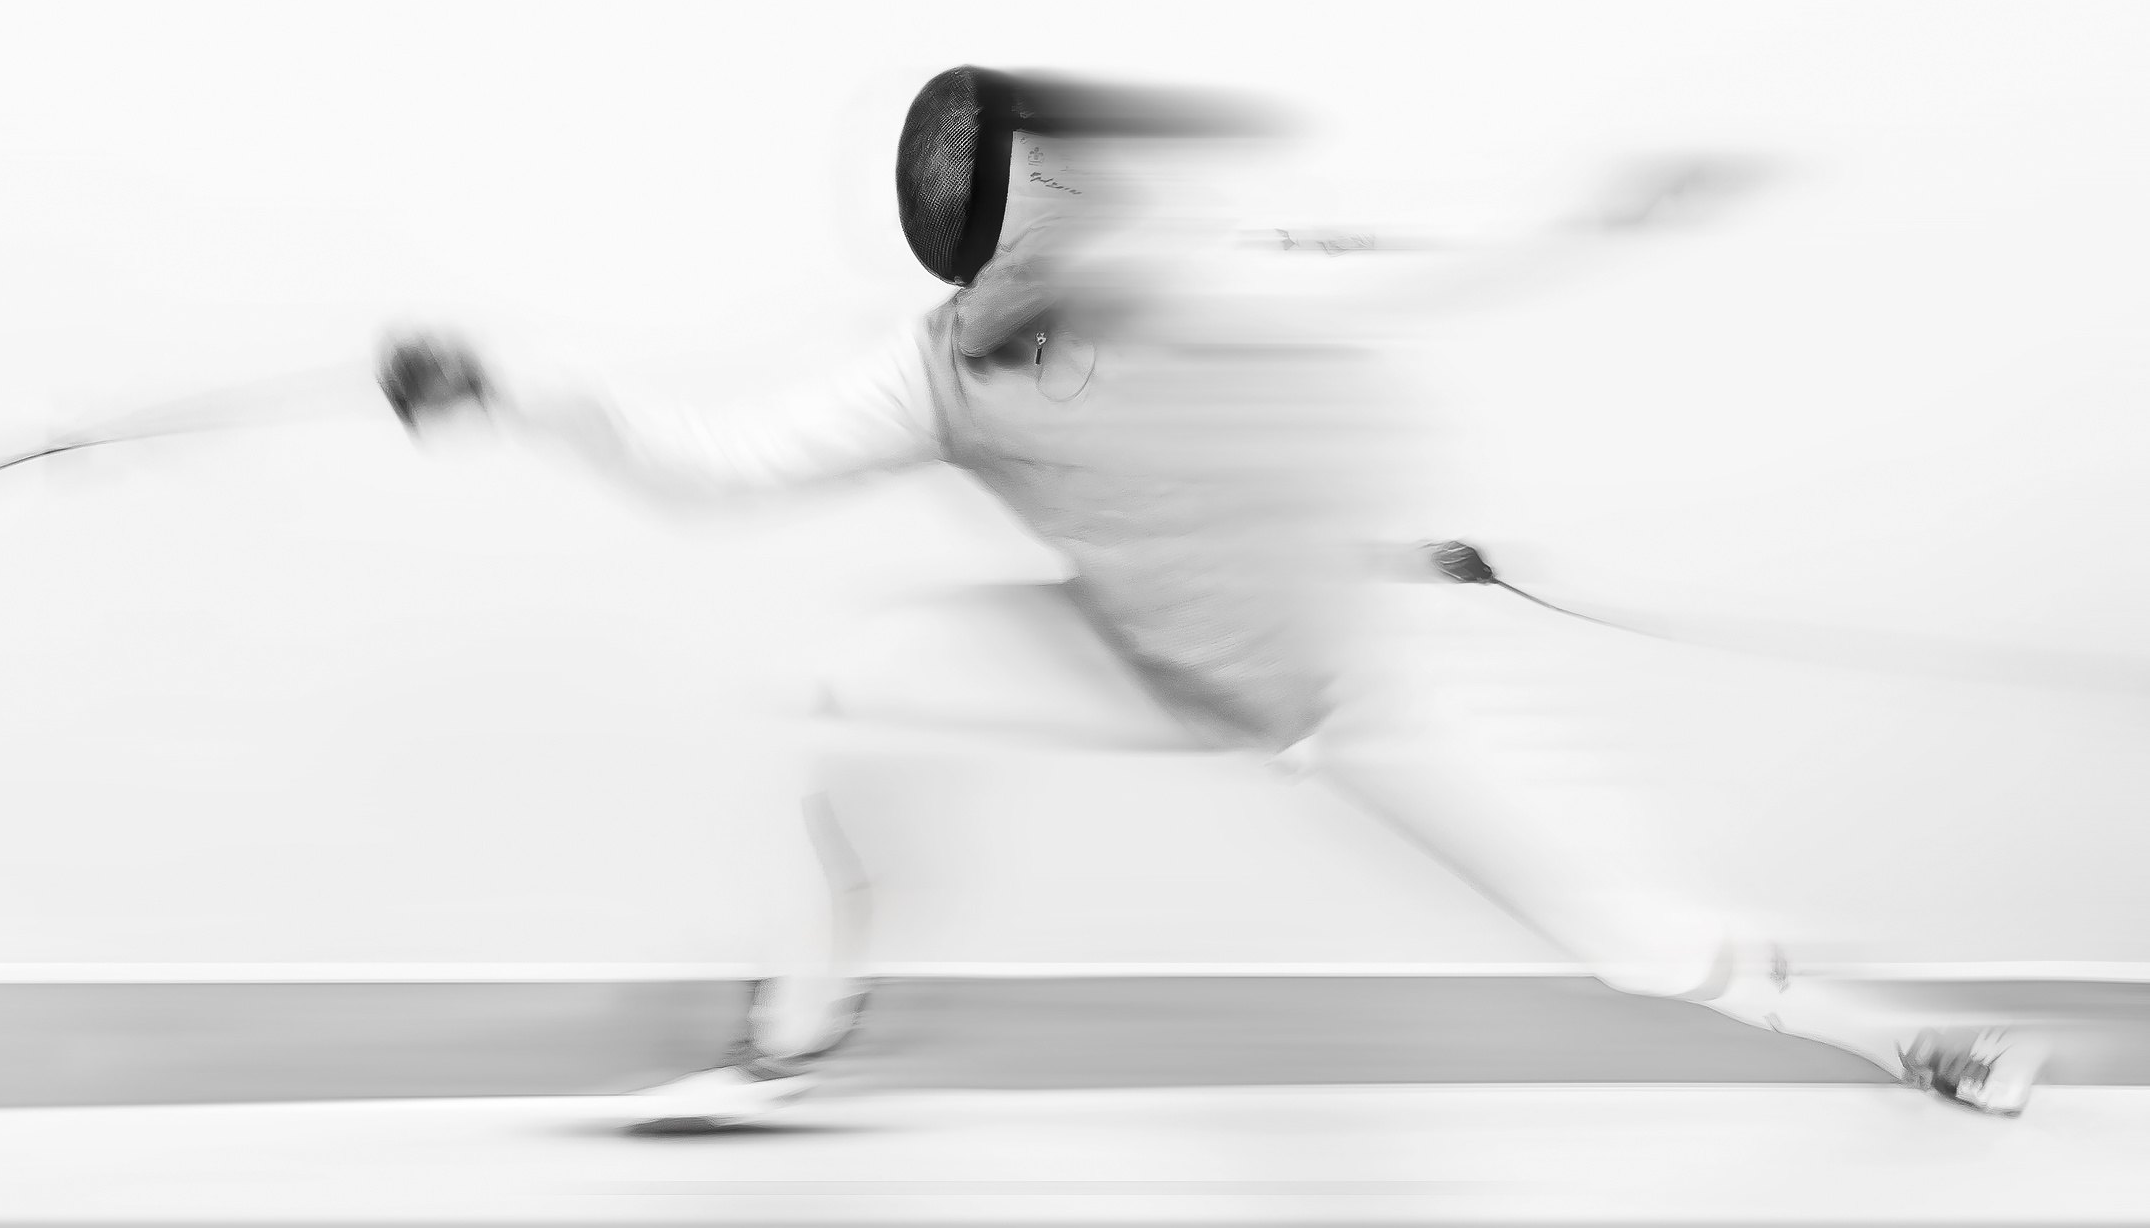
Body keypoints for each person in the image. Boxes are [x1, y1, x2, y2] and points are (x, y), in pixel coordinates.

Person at [380, 65, 2048, 1130]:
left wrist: (1599, 213)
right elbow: (717, 467)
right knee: (853, 680)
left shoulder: (1212, 273)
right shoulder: (930, 371)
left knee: (1635, 942)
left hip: (1353, 686)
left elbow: (1433, 264)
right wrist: (522, 393)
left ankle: (1902, 1041)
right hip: (1136, 659)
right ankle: (800, 1032)